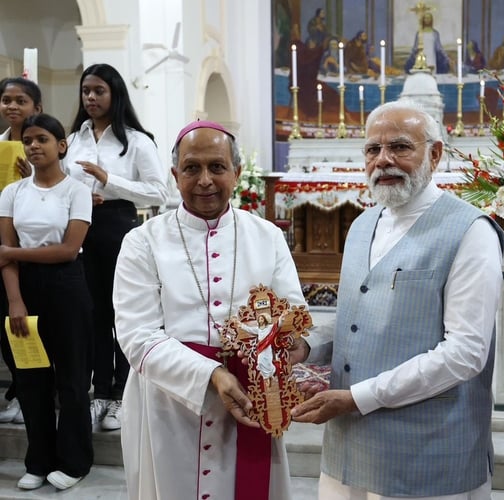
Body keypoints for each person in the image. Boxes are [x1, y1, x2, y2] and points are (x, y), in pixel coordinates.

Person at [291, 101, 504, 498]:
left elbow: (465, 353)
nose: (383, 160)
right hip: (348, 448)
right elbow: (358, 320)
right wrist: (307, 346)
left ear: (435, 154)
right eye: (373, 149)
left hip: (427, 451)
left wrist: (357, 397)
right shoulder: (361, 225)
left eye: (400, 147)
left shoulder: (470, 232)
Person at [112, 120, 309, 500]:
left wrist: (290, 344)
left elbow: (293, 314)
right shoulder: (142, 242)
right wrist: (212, 374)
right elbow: (137, 337)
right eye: (191, 168)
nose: (204, 180)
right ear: (174, 174)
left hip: (253, 396)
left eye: (217, 167)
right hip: (168, 403)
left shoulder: (266, 235)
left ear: (236, 172)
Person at [63, 63, 168, 431]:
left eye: (98, 91)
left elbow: (160, 192)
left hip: (119, 227)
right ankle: (102, 393)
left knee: (122, 312)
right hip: (80, 231)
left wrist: (110, 180)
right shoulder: (75, 139)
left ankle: (124, 394)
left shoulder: (137, 141)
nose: (90, 97)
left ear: (115, 94)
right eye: (85, 91)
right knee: (93, 316)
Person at [0, 113, 94, 491]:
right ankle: (38, 460)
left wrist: (13, 252)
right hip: (23, 289)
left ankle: (75, 461)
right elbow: (4, 255)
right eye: (28, 141)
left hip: (67, 288)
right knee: (30, 378)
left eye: (42, 139)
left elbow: (69, 250)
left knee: (71, 379)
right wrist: (14, 301)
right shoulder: (12, 192)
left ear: (61, 145)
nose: (34, 146)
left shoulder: (76, 191)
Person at [0, 76, 42, 426]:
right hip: (3, 244)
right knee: (8, 323)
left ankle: (43, 389)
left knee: (37, 321)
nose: (11, 106)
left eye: (20, 100)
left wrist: (33, 175)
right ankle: (17, 389)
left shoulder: (41, 146)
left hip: (33, 249)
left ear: (35, 108)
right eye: (6, 100)